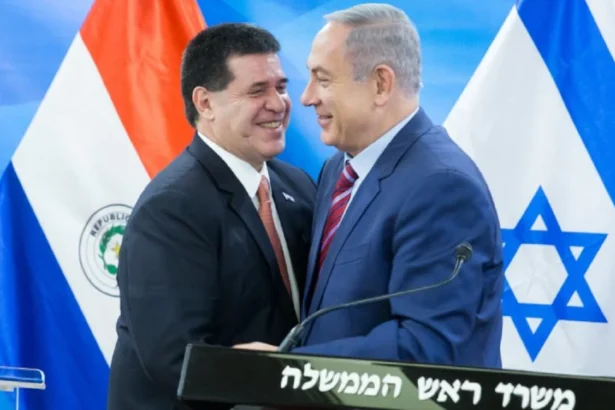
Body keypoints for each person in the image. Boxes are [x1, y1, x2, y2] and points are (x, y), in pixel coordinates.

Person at [237, 4, 504, 368]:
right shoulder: (339, 168)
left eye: (323, 79)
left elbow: (425, 347)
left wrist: (291, 366)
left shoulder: (442, 187)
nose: (306, 97)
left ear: (381, 84)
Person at [106, 23, 317, 410]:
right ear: (205, 103)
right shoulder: (171, 208)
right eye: (257, 90)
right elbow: (173, 358)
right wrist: (260, 372)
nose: (278, 104)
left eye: (281, 87)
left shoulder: (298, 185)